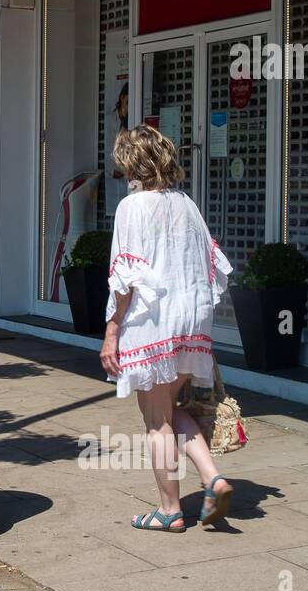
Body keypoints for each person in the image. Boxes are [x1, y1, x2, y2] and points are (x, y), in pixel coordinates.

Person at [99, 125, 235, 532]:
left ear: (131, 165)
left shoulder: (132, 208)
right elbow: (214, 266)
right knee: (171, 410)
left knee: (155, 419)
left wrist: (111, 331)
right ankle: (213, 478)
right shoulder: (186, 204)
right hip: (192, 320)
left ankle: (170, 510)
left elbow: (125, 278)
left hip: (152, 320)